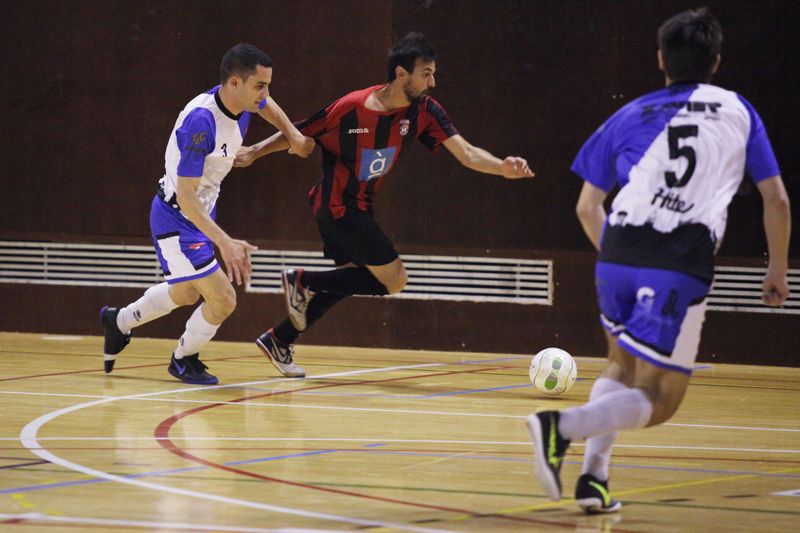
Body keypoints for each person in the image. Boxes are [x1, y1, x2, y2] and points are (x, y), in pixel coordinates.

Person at [526, 7, 791, 514]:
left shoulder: (628, 114)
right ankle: (560, 426)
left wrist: (620, 259)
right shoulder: (738, 110)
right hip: (677, 255)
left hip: (618, 249)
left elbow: (586, 207)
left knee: (620, 363)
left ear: (661, 60)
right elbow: (775, 198)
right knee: (661, 399)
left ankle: (593, 480)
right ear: (715, 62)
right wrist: (776, 267)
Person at [235, 32, 534, 378]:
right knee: (394, 279)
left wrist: (501, 167)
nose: (433, 83)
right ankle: (304, 281)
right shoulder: (352, 107)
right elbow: (302, 131)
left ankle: (280, 338)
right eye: (426, 74)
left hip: (359, 207)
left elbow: (466, 152)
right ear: (401, 74)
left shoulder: (424, 111)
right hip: (338, 207)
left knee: (351, 278)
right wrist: (254, 151)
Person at [100, 43, 315, 385]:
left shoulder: (243, 99)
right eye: (260, 86)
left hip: (199, 213)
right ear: (235, 83)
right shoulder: (202, 122)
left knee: (186, 293)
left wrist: (293, 135)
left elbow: (267, 106)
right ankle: (183, 359)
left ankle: (118, 321)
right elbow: (187, 198)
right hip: (177, 219)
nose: (265, 94)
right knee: (224, 299)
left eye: (267, 85)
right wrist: (225, 242)